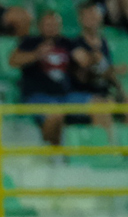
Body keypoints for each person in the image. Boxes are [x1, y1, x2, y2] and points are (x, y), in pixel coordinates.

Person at [11, 8, 95, 145]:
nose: (52, 28)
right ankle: (52, 154)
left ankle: (109, 151)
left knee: (101, 105)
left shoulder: (67, 43)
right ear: (39, 26)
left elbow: (85, 60)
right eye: (48, 25)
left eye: (55, 25)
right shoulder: (31, 42)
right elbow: (13, 60)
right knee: (55, 113)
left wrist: (89, 58)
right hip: (38, 96)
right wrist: (36, 54)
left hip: (66, 96)